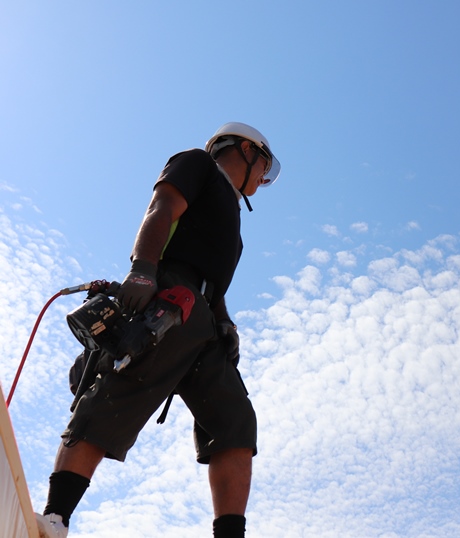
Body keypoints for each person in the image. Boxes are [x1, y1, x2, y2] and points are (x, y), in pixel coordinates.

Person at [36, 122, 281, 538]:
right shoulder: (198, 164)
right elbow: (162, 208)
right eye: (265, 166)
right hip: (170, 299)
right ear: (245, 149)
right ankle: (55, 518)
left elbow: (214, 280)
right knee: (115, 395)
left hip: (203, 322)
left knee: (235, 424)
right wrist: (143, 271)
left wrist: (224, 320)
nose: (264, 177)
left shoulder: (233, 220)